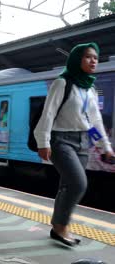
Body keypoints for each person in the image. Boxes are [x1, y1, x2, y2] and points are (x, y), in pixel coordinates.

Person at [34, 43, 114, 246]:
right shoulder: (63, 83)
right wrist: (43, 142)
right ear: (77, 59)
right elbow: (49, 113)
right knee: (78, 183)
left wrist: (105, 147)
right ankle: (61, 226)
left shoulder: (90, 89)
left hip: (82, 142)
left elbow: (93, 122)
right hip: (60, 140)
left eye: (95, 57)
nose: (93, 60)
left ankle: (58, 227)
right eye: (88, 57)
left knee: (67, 185)